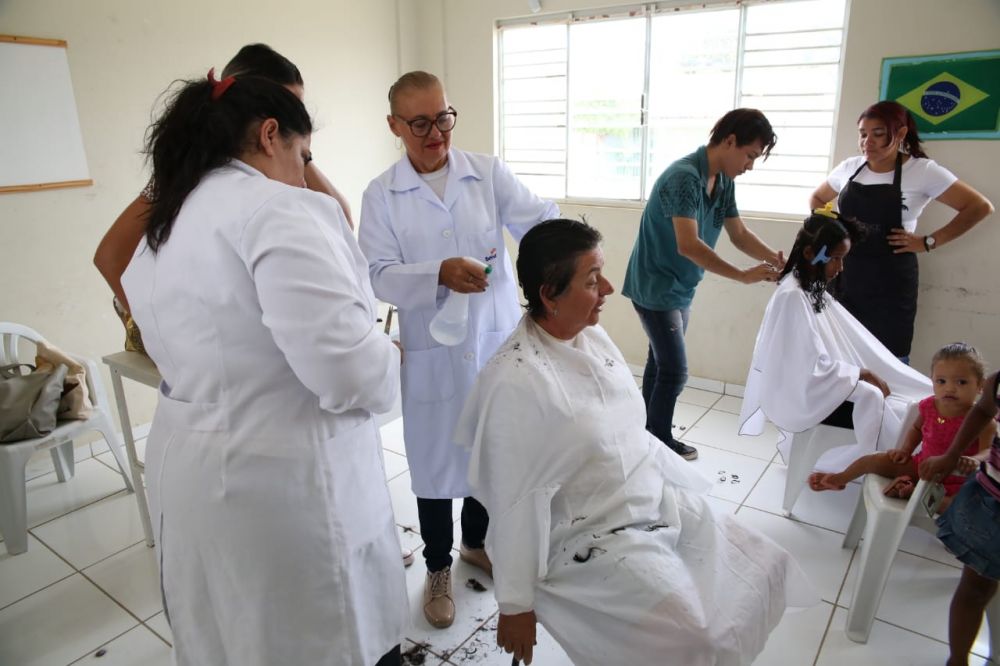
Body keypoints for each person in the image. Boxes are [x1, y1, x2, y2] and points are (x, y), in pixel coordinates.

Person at [121, 72, 406, 666]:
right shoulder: (278, 211)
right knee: (317, 638)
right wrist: (390, 356)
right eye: (303, 156)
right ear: (271, 134)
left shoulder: (167, 221)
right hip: (281, 484)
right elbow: (349, 373)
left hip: (191, 473)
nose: (303, 175)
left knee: (230, 637)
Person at [454, 218, 816, 666]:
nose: (608, 288)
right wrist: (515, 604)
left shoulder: (592, 336)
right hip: (585, 534)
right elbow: (514, 503)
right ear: (549, 294)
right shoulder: (515, 382)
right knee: (699, 642)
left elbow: (624, 426)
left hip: (647, 497)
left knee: (765, 565)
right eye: (592, 280)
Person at [358, 71, 558, 629]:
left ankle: (475, 543)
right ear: (394, 126)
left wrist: (555, 265)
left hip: (492, 343)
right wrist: (438, 274)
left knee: (487, 453)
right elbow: (376, 274)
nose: (435, 134)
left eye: (443, 118)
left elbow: (542, 221)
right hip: (432, 354)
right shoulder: (382, 194)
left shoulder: (487, 173)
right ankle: (438, 567)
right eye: (419, 123)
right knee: (433, 464)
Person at [94, 44, 355, 349]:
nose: (294, 119)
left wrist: (302, 156)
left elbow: (341, 225)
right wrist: (159, 333)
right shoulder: (188, 173)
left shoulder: (285, 163)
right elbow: (111, 257)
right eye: (283, 107)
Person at [623, 108, 785, 461]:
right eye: (749, 155)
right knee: (675, 370)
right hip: (655, 286)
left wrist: (776, 259)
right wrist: (742, 275)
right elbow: (689, 245)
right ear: (729, 141)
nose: (750, 166)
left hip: (681, 286)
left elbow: (739, 234)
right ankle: (660, 440)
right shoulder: (684, 177)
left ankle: (646, 434)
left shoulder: (723, 181)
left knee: (660, 363)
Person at [739, 209, 931, 472]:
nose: (840, 268)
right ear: (810, 253)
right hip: (801, 391)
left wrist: (864, 370)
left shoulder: (810, 286)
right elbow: (807, 365)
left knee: (913, 396)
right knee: (875, 397)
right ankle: (862, 465)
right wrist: (860, 373)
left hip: (821, 379)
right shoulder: (793, 296)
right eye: (837, 259)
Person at [809, 100, 993, 362]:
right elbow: (817, 198)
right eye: (863, 134)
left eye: (878, 134)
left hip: (891, 283)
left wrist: (929, 241)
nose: (867, 142)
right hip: (845, 276)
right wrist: (832, 230)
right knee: (838, 351)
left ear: (902, 133)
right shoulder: (849, 167)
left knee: (890, 358)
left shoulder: (922, 171)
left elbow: (979, 206)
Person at [809, 343, 994, 510]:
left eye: (961, 382)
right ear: (932, 380)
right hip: (922, 466)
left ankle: (912, 493)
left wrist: (975, 460)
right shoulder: (930, 406)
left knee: (958, 507)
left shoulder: (982, 419)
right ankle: (839, 479)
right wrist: (905, 450)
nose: (950, 388)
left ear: (980, 385)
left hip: (958, 480)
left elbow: (989, 451)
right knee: (873, 460)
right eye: (941, 381)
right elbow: (916, 429)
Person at [920, 369, 1000, 666]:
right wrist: (953, 454)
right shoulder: (997, 382)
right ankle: (957, 660)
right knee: (975, 588)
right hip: (992, 506)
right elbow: (983, 411)